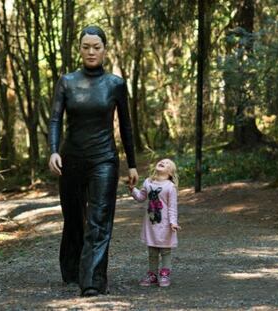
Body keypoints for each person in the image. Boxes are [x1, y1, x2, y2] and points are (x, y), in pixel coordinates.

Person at [48, 25, 138, 297]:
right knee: (74, 218)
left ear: (105, 50)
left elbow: (126, 126)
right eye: (86, 47)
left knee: (99, 220)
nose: (91, 52)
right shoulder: (67, 81)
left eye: (96, 47)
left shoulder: (115, 84)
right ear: (80, 49)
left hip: (104, 161)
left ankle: (93, 281)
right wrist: (53, 151)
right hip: (71, 160)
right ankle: (73, 269)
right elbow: (55, 119)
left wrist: (131, 164)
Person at [129, 158, 181, 287]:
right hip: (151, 224)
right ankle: (152, 275)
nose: (163, 162)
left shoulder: (170, 187)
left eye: (168, 163)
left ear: (170, 173)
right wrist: (132, 189)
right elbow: (141, 197)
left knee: (165, 251)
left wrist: (173, 222)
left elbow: (172, 207)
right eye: (162, 161)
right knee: (152, 250)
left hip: (165, 225)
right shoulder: (148, 182)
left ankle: (164, 273)